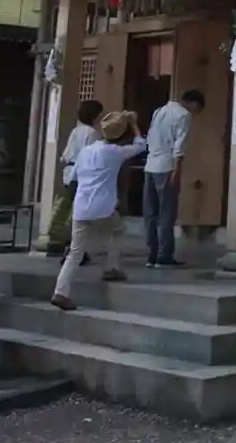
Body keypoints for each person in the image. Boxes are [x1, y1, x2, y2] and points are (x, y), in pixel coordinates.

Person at [51, 111, 146, 311]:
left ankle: (60, 292)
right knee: (118, 230)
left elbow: (73, 177)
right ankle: (112, 267)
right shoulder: (115, 152)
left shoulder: (86, 151)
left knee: (75, 253)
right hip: (103, 207)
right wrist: (134, 124)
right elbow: (141, 146)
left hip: (81, 207)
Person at [143, 88, 202, 268]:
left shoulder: (159, 111)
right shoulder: (184, 116)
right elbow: (179, 146)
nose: (195, 114)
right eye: (197, 109)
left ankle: (152, 253)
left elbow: (150, 137)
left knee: (150, 214)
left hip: (150, 165)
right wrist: (177, 170)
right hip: (167, 166)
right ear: (194, 103)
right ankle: (164, 255)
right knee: (167, 213)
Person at [48, 100, 103, 263]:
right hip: (83, 177)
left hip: (69, 175)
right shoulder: (92, 134)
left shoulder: (76, 131)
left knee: (71, 213)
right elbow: (93, 157)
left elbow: (65, 156)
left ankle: (73, 248)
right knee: (79, 215)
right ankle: (74, 249)